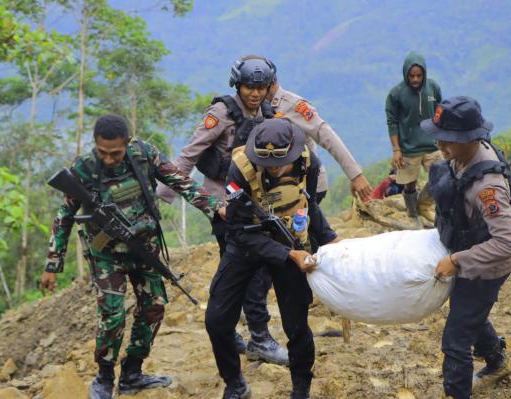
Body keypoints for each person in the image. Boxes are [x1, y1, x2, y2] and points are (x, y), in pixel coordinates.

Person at [39, 115, 223, 399]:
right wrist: (53, 264)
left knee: (155, 307)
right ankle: (103, 377)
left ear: (127, 143)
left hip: (144, 248)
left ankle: (132, 373)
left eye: (116, 153)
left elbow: (180, 181)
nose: (109, 159)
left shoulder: (144, 155)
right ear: (95, 145)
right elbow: (64, 216)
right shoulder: (84, 169)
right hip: (106, 255)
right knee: (112, 315)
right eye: (103, 153)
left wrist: (214, 207)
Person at [156, 57, 290, 365]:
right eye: (248, 87)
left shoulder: (269, 113)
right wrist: (163, 198)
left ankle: (231, 332)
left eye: (260, 87)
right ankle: (259, 338)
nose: (254, 94)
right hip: (222, 205)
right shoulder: (221, 114)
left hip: (257, 203)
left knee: (250, 271)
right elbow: (190, 153)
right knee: (249, 270)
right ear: (237, 85)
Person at [205, 118, 338, 399]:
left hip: (289, 238)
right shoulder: (239, 169)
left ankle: (301, 388)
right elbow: (238, 229)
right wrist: (288, 253)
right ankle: (235, 384)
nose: (273, 168)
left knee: (297, 324)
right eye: (266, 163)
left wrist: (330, 239)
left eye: (280, 162)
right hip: (246, 244)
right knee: (217, 319)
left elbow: (309, 203)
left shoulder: (307, 162)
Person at [424, 97, 511, 399]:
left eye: (449, 139)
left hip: (487, 266)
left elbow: (507, 242)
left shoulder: (488, 186)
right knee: (470, 313)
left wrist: (457, 259)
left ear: (470, 138)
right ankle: (497, 361)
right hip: (471, 251)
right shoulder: (464, 156)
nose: (441, 143)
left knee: (455, 340)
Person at [263, 55, 372, 202]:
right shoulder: (259, 107)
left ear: (268, 83)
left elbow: (326, 135)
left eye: (255, 86)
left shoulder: (293, 105)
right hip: (277, 184)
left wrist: (355, 176)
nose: (252, 92)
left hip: (308, 184)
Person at [386, 51, 443, 224]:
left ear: (424, 74)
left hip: (433, 144)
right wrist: (396, 149)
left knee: (442, 175)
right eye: (412, 76)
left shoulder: (433, 87)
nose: (416, 79)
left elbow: (440, 111)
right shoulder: (396, 94)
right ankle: (413, 214)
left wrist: (442, 137)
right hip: (408, 148)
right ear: (406, 74)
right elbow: (392, 122)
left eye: (419, 75)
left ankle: (423, 204)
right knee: (409, 183)